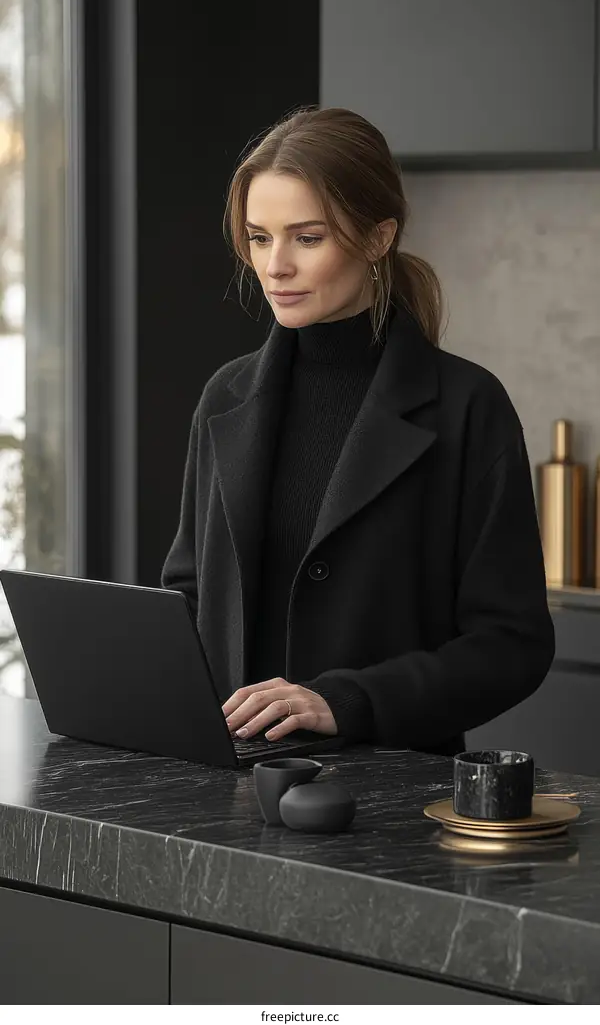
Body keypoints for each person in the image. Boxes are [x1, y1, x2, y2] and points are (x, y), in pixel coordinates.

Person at [161, 106, 554, 756]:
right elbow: (190, 594)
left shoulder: (466, 405)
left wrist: (345, 701)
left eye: (306, 237)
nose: (275, 266)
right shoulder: (224, 397)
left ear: (377, 238)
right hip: (224, 796)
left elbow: (512, 644)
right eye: (259, 237)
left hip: (394, 804)